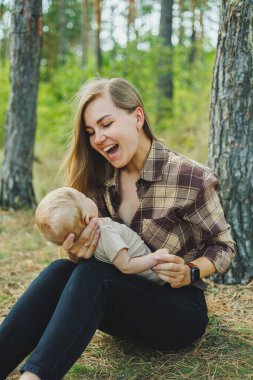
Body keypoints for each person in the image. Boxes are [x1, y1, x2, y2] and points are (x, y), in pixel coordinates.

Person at [0, 77, 235, 380]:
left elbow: (223, 246)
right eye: (91, 132)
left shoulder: (191, 177)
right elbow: (92, 262)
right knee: (62, 269)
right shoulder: (99, 178)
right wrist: (76, 253)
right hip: (120, 301)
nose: (98, 138)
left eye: (106, 124)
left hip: (178, 310)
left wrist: (189, 271)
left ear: (137, 117)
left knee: (92, 275)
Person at [35, 186, 164, 284]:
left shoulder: (97, 238)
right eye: (84, 197)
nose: (88, 197)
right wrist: (155, 258)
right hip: (152, 277)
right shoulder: (106, 234)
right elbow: (127, 265)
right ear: (88, 218)